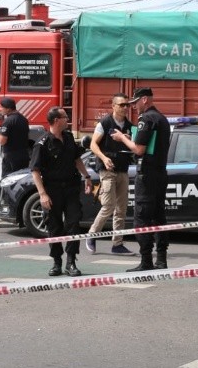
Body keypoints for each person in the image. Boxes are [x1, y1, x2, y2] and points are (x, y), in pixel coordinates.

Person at [110, 87, 171, 271]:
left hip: (147, 176)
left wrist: (122, 138)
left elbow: (139, 150)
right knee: (159, 217)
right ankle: (161, 259)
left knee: (141, 219)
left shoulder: (147, 118)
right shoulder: (162, 118)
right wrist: (132, 139)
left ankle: (146, 261)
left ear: (144, 100)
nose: (133, 107)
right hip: (160, 173)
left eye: (135, 102)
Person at [30, 106, 93, 276]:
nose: (68, 119)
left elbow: (77, 158)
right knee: (54, 226)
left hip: (71, 188)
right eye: (65, 117)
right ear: (57, 120)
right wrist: (42, 194)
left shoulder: (69, 137)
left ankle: (71, 262)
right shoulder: (42, 144)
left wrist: (87, 176)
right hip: (52, 190)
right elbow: (35, 171)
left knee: (73, 223)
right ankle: (57, 262)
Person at [85, 93, 135, 255]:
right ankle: (92, 235)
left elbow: (134, 147)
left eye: (127, 105)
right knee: (108, 205)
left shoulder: (129, 125)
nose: (125, 108)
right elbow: (93, 144)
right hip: (107, 170)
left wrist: (128, 139)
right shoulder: (105, 122)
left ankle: (117, 244)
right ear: (113, 106)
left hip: (123, 169)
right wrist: (104, 158)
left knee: (121, 209)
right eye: (121, 105)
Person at [0, 97, 30, 178]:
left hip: (11, 158)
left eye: (1, 107)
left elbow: (2, 141)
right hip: (24, 155)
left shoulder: (8, 121)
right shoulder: (23, 119)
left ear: (8, 109)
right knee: (21, 180)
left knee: (8, 181)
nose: (0, 109)